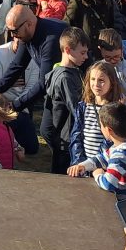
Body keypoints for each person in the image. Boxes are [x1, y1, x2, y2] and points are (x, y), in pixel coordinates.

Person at [67, 60, 126, 175]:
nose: (96, 84)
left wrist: (97, 164)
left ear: (112, 83)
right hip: (83, 166)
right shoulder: (83, 107)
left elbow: (113, 140)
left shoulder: (114, 110)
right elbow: (76, 136)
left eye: (101, 80)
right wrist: (80, 163)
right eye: (92, 79)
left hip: (104, 168)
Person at [42, 26, 90, 174]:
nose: (86, 57)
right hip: (65, 139)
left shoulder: (72, 71)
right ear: (68, 50)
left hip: (65, 138)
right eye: (82, 53)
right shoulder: (64, 78)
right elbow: (76, 108)